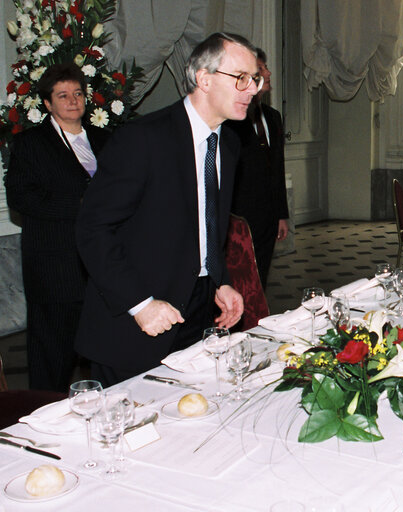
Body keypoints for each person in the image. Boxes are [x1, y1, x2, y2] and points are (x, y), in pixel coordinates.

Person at [75, 33, 258, 386]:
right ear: (204, 78)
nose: (251, 89)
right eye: (241, 78)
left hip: (198, 314)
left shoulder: (230, 143)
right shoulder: (143, 138)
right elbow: (92, 229)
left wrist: (220, 281)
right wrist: (140, 304)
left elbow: (207, 225)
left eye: (255, 79)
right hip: (133, 323)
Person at [4, 63, 110, 391]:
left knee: (104, 349)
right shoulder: (31, 144)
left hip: (102, 266)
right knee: (52, 357)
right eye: (63, 95)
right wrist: (80, 206)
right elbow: (22, 198)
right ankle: (44, 418)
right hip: (55, 268)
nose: (73, 101)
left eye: (78, 93)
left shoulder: (106, 139)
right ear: (48, 104)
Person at [224, 48, 289, 290]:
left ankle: (256, 320)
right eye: (261, 69)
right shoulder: (232, 120)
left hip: (268, 215)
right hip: (240, 216)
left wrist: (281, 214)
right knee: (238, 279)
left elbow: (277, 168)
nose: (268, 72)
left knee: (260, 277)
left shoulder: (273, 117)